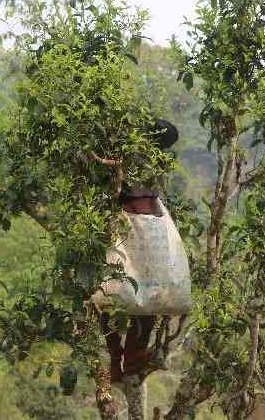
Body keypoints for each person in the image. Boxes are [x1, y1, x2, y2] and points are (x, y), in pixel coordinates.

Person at [98, 118, 179, 381]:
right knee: (133, 290)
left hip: (137, 222)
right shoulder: (139, 159)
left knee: (116, 290)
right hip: (141, 222)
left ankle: (124, 357)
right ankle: (126, 356)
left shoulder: (132, 156)